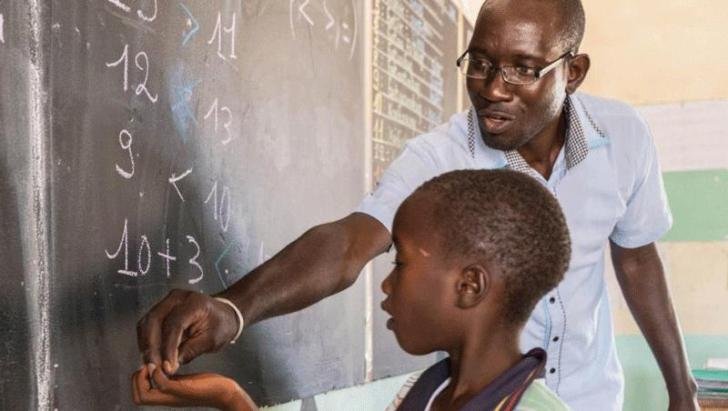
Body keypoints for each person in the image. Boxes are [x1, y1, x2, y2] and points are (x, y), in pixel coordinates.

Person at [136, 0, 698, 409]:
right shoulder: (441, 156)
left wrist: (682, 388)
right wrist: (233, 309)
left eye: (523, 69)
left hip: (591, 396)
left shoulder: (624, 137)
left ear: (572, 72)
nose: (493, 87)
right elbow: (350, 241)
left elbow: (636, 259)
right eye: (480, 62)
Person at [133, 169, 572, 411]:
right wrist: (228, 398)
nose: (386, 283)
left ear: (469, 286)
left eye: (400, 262)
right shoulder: (423, 395)